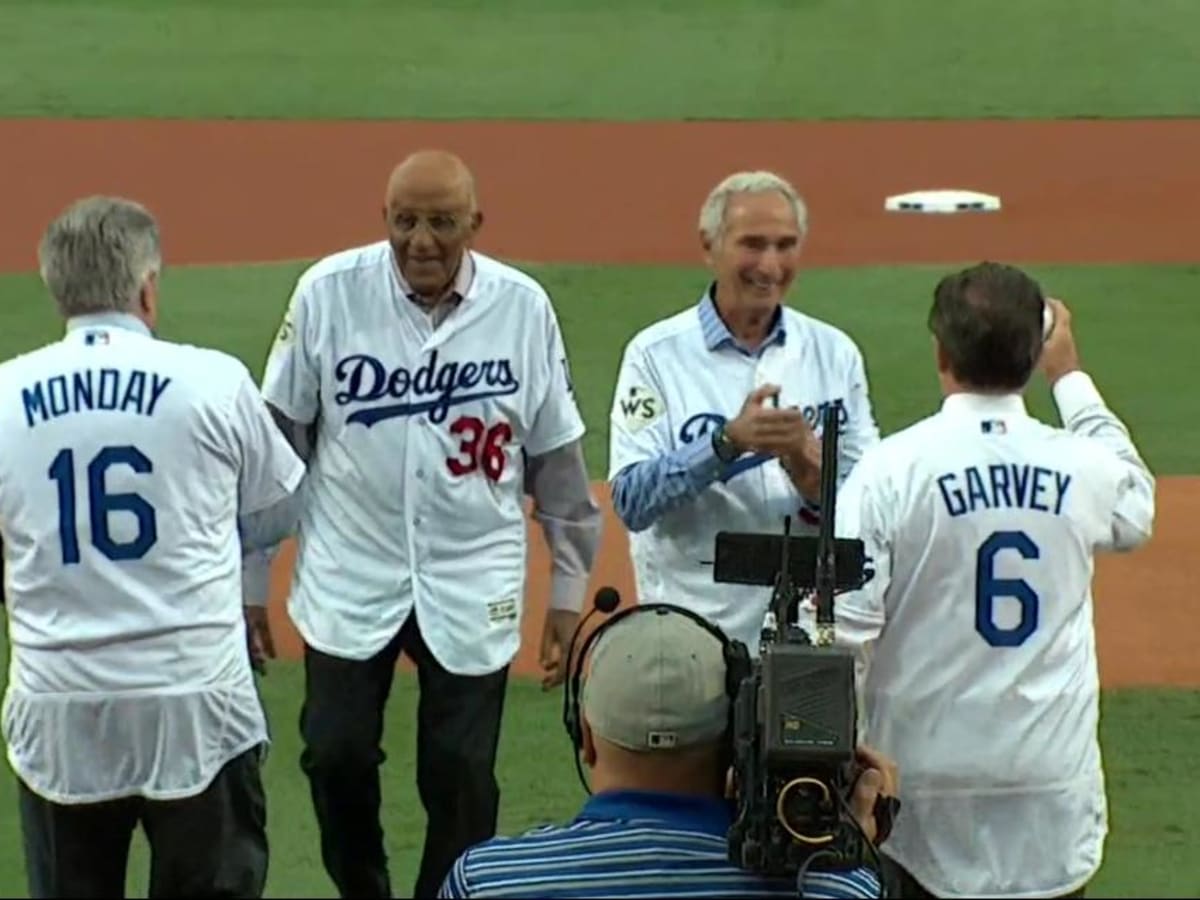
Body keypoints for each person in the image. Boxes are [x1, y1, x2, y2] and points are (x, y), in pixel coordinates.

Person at [242, 149, 603, 899]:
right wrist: (251, 576)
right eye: (405, 221)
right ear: (385, 220)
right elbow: (279, 449)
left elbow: (557, 462)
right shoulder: (328, 294)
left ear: (476, 222)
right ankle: (364, 889)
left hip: (473, 574)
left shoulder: (523, 307)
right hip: (350, 567)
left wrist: (569, 591)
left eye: (441, 223)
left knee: (463, 776)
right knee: (332, 754)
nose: (422, 241)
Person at [0, 195, 306, 898]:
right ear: (146, 286)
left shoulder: (5, 393)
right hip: (195, 698)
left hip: (61, 706)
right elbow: (276, 511)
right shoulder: (212, 380)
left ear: (56, 288)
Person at [830, 262, 1156, 899]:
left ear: (941, 350)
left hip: (921, 792)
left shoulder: (888, 470)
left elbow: (845, 638)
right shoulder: (1082, 463)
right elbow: (1136, 505)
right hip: (1049, 791)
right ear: (1035, 353)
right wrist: (1072, 378)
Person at [438, 603, 898, 899]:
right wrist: (844, 857)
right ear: (739, 735)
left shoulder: (486, 881)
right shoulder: (836, 890)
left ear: (584, 735)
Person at [606, 169, 881, 652]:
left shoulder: (835, 355)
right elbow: (632, 500)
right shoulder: (655, 355)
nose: (770, 265)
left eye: (785, 245)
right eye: (753, 244)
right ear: (709, 245)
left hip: (809, 636)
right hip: (691, 634)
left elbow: (872, 508)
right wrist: (724, 444)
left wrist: (809, 467)